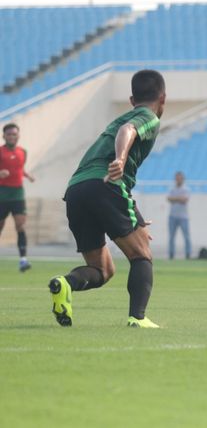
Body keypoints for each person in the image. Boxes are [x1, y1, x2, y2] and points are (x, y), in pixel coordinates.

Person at [48, 69, 166, 328]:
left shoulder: (115, 122)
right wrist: (121, 159)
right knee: (141, 254)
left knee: (103, 270)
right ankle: (138, 318)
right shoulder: (148, 116)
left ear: (131, 99)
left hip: (77, 189)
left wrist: (139, 219)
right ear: (163, 99)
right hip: (106, 184)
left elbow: (121, 132)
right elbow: (129, 130)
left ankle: (65, 284)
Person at [0, 123, 35, 272]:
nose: (12, 137)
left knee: (20, 226)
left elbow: (20, 168)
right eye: (9, 134)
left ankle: (23, 260)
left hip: (18, 194)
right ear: (4, 136)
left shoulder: (23, 152)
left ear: (18, 136)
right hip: (2, 194)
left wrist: (27, 175)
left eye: (14, 134)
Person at [167, 170, 191, 259]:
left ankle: (188, 254)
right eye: (177, 178)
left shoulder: (186, 189)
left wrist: (175, 199)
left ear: (183, 179)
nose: (178, 180)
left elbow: (184, 200)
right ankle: (171, 254)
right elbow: (169, 198)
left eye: (180, 178)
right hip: (172, 216)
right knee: (171, 237)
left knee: (186, 237)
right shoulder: (172, 189)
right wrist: (179, 199)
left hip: (183, 217)